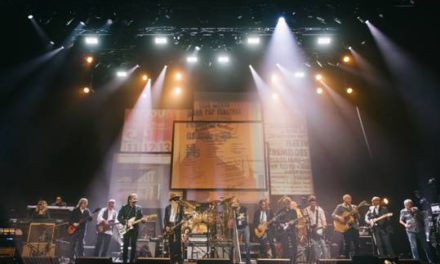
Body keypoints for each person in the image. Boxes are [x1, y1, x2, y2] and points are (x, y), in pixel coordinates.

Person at [400, 199, 435, 263]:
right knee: (414, 247)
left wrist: (416, 212)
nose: (407, 206)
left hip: (419, 229)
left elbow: (422, 218)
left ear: (411, 204)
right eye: (406, 205)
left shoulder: (416, 209)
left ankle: (431, 261)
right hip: (410, 231)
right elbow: (400, 220)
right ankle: (416, 261)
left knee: (426, 246)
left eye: (409, 204)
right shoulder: (403, 211)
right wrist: (405, 225)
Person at [332, 194, 360, 258]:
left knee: (357, 245)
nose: (350, 200)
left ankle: (358, 259)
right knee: (347, 244)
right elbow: (333, 215)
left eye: (350, 198)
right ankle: (347, 260)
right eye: (348, 198)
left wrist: (356, 212)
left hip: (354, 227)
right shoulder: (340, 206)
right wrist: (340, 218)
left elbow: (358, 217)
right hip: (346, 227)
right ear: (344, 199)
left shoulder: (354, 206)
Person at [118, 193, 143, 264]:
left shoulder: (139, 208)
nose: (136, 199)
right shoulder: (124, 207)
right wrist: (125, 222)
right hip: (126, 228)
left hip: (135, 229)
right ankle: (125, 261)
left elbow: (141, 217)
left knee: (133, 245)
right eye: (134, 198)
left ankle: (132, 261)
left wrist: (144, 220)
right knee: (125, 245)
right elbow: (119, 217)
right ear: (129, 199)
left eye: (136, 198)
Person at [303, 195, 329, 262]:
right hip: (312, 230)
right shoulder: (306, 210)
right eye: (311, 203)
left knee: (323, 245)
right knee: (315, 247)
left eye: (314, 203)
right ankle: (318, 260)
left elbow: (324, 219)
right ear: (309, 203)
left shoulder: (319, 209)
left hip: (320, 229)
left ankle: (326, 261)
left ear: (315, 202)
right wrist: (308, 229)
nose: (313, 204)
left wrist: (324, 226)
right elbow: (305, 221)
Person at [69, 198, 92, 262]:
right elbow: (70, 219)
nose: (85, 204)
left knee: (81, 245)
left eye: (86, 203)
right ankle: (71, 259)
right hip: (74, 230)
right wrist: (74, 223)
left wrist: (91, 217)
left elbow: (90, 219)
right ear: (80, 203)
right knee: (72, 244)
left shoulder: (87, 211)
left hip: (82, 230)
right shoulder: (75, 210)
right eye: (83, 203)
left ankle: (81, 259)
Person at [164, 193, 184, 264]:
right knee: (171, 247)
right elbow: (165, 219)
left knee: (178, 248)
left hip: (177, 229)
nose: (177, 201)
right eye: (175, 200)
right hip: (170, 230)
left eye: (177, 199)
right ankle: (172, 261)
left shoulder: (181, 207)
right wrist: (166, 226)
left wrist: (181, 222)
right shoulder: (167, 208)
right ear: (172, 200)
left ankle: (180, 262)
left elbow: (182, 218)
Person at [276, 196, 298, 263]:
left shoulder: (293, 211)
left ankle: (294, 261)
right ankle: (286, 261)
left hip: (292, 230)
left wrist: (293, 222)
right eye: (285, 203)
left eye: (288, 203)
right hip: (284, 231)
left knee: (294, 246)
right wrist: (282, 224)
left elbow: (296, 221)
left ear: (290, 203)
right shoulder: (280, 211)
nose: (287, 204)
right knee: (285, 246)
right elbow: (277, 220)